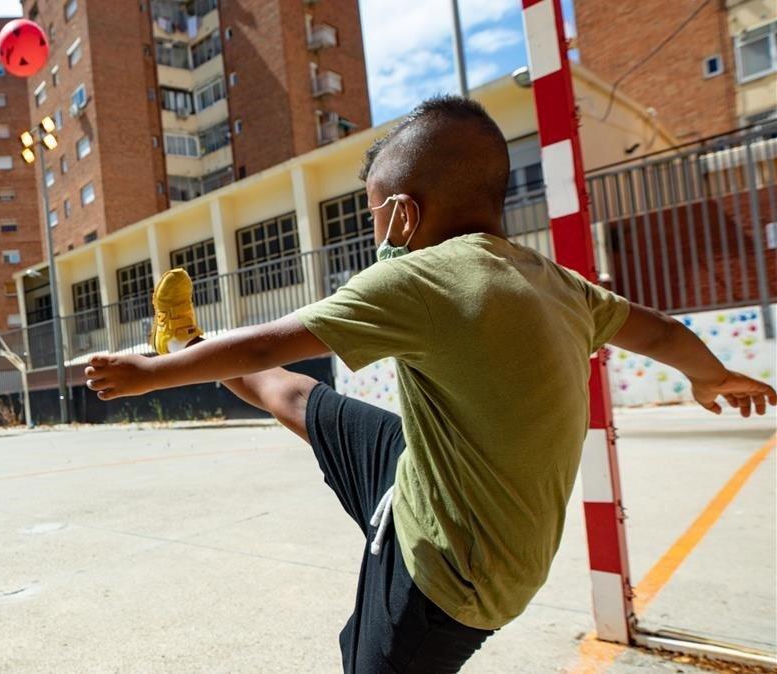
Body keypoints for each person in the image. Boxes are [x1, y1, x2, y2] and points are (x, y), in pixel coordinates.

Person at [85, 96, 776, 673]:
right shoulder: (557, 282)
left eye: (373, 215)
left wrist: (149, 374)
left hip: (450, 573)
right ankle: (190, 339)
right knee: (298, 399)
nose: (374, 232)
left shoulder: (415, 276)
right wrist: (709, 374)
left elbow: (271, 338)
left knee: (369, 657)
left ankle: (177, 350)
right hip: (432, 472)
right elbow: (656, 331)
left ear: (405, 216)